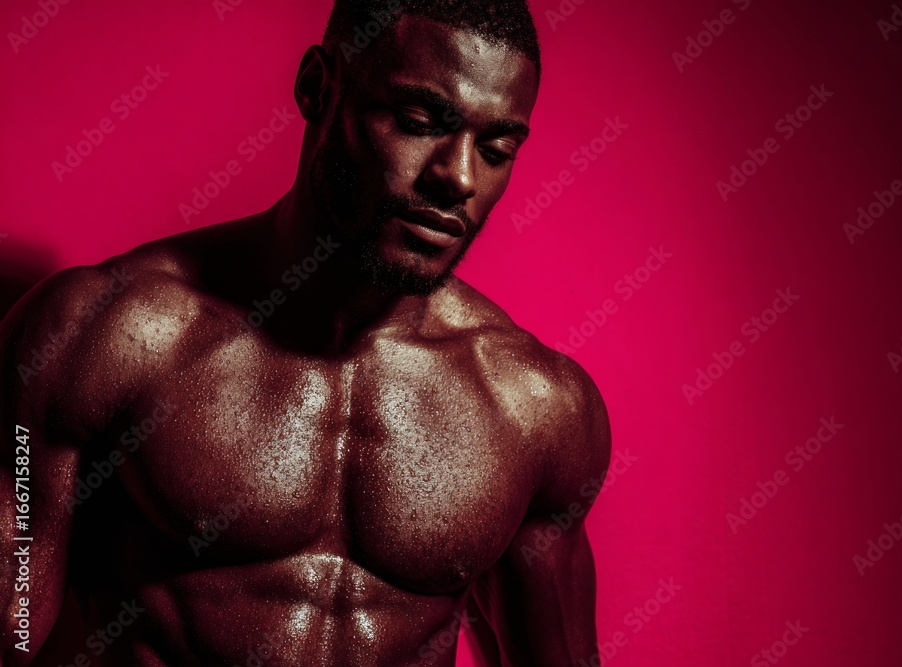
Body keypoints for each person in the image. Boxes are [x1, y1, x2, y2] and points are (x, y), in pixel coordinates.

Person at [0, 1, 611, 664]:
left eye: (495, 149)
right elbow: (14, 618)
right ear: (318, 87)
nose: (458, 177)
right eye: (416, 121)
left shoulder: (537, 408)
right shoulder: (102, 335)